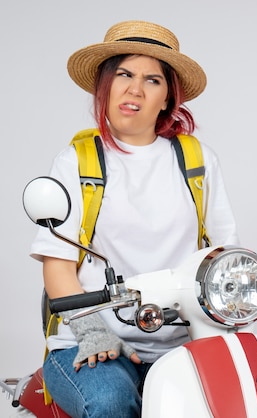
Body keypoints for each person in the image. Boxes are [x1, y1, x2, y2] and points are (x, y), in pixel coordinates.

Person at [29, 20, 239, 418]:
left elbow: (224, 256)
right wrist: (93, 332)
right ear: (104, 87)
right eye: (124, 74)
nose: (135, 89)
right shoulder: (77, 161)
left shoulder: (197, 161)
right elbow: (57, 263)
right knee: (110, 402)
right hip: (89, 341)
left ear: (167, 98)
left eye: (152, 80)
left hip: (182, 342)